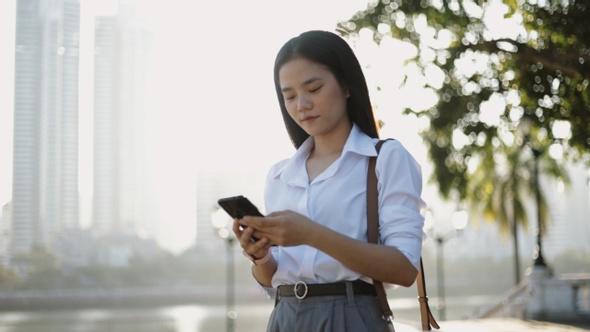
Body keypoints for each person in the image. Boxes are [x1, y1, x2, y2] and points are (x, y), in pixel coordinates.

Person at [233, 30, 426, 332]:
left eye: (314, 88)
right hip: (284, 317)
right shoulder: (279, 175)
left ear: (346, 85)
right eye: (290, 96)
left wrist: (311, 234)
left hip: (351, 316)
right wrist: (260, 257)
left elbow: (403, 268)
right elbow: (272, 279)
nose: (302, 104)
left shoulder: (385, 158)